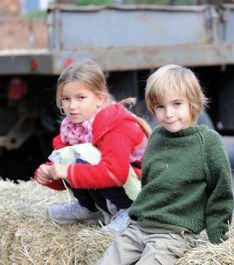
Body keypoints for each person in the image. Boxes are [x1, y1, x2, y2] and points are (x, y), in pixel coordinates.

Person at [98, 64, 234, 265]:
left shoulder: (208, 142)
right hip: (139, 227)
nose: (168, 113)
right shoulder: (157, 137)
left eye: (177, 104)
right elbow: (149, 183)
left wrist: (218, 237)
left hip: (174, 233)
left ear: (193, 103)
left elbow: (221, 192)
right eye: (160, 107)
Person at [34, 60, 150, 233]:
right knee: (69, 155)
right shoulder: (72, 129)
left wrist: (67, 170)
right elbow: (66, 175)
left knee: (83, 154)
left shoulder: (115, 125)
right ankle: (89, 208)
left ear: (99, 99)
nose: (72, 106)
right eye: (66, 99)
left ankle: (128, 212)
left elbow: (115, 173)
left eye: (81, 98)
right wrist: (48, 172)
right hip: (118, 182)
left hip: (140, 191)